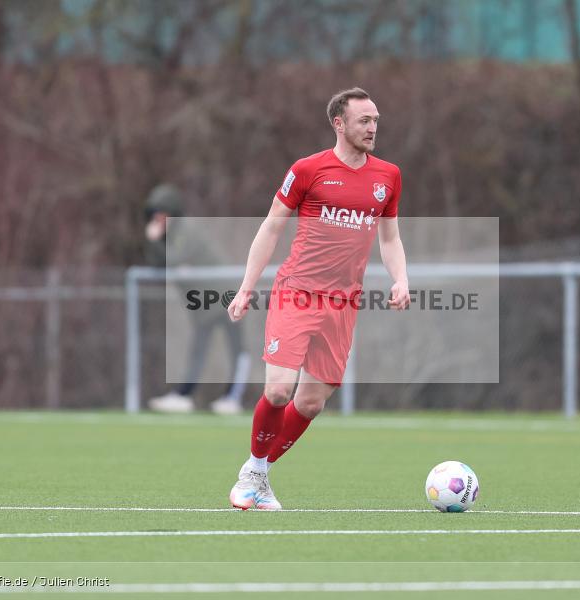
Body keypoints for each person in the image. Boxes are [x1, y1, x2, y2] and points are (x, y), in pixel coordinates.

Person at [225, 88, 410, 510]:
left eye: (376, 120)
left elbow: (390, 238)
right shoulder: (308, 169)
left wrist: (400, 279)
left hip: (343, 304)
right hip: (297, 293)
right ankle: (253, 472)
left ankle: (260, 474)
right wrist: (247, 286)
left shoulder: (388, 176)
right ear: (339, 124)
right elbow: (272, 226)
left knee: (309, 403)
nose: (373, 128)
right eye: (364, 120)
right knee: (278, 391)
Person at [144, 183, 251, 415]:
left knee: (237, 347)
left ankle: (232, 398)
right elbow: (161, 263)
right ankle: (184, 394)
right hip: (205, 304)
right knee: (199, 349)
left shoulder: (186, 230)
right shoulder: (169, 236)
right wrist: (158, 244)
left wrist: (155, 241)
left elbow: (173, 259)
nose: (157, 219)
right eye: (155, 214)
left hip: (224, 296)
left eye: (162, 214)